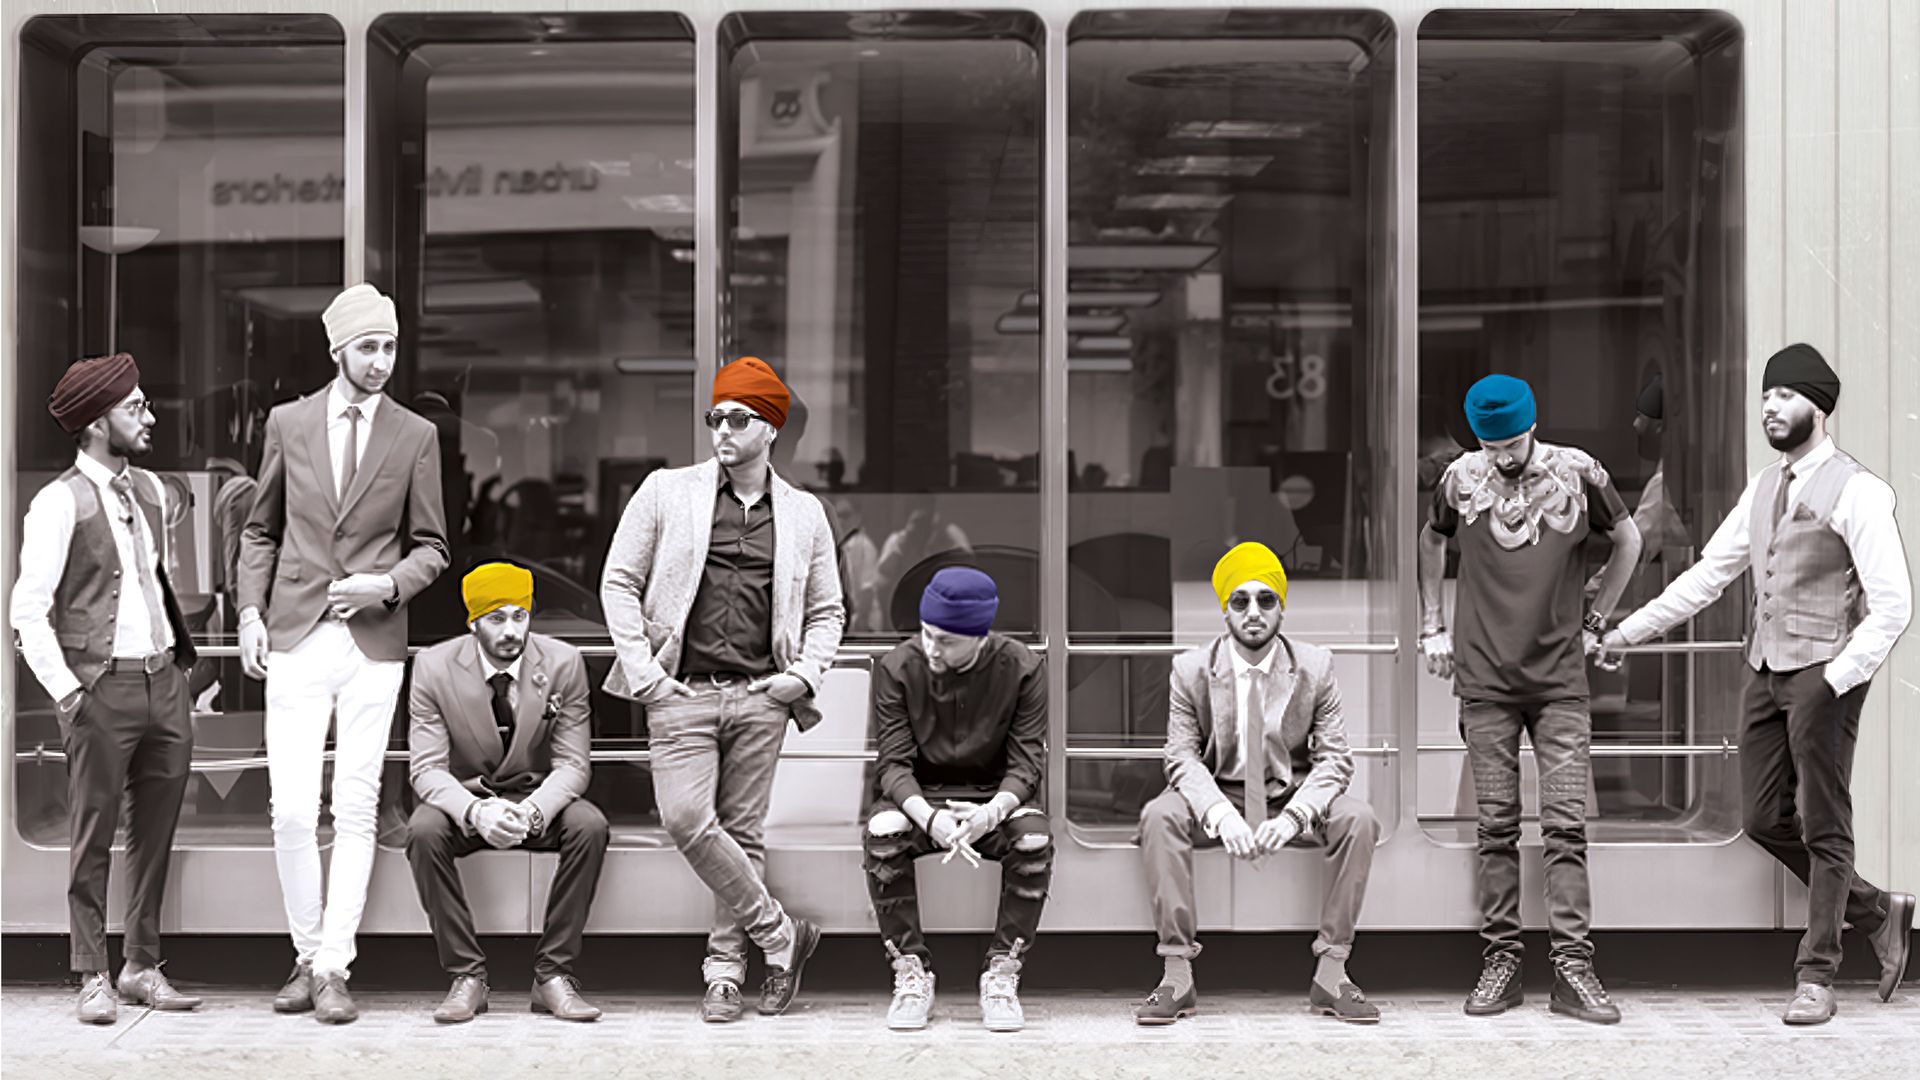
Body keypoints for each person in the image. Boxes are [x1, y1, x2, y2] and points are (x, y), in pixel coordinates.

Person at [1602, 344, 1913, 1024]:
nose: (1770, 407)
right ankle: (1875, 912)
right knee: (1762, 819)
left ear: (1819, 408)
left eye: (1786, 395)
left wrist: (1836, 678)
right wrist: (1627, 633)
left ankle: (1817, 976)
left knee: (1825, 822)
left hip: (1823, 676)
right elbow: (1709, 575)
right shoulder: (1764, 486)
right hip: (1764, 669)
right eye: (1766, 395)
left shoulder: (1858, 490)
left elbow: (1894, 604)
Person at [600, 355, 845, 1021]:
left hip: (763, 695)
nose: (722, 430)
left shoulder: (804, 513)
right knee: (685, 818)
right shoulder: (665, 492)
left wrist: (802, 676)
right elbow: (618, 582)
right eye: (716, 417)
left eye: (738, 419)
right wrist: (646, 676)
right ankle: (780, 935)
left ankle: (725, 972)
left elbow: (828, 611)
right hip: (681, 692)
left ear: (770, 428)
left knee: (743, 832)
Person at [236, 282, 451, 1023]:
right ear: (338, 351)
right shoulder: (288, 424)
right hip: (294, 633)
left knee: (356, 806)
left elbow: (433, 546)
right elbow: (260, 530)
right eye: (368, 348)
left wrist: (386, 586)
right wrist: (250, 611)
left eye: (390, 347)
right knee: (293, 810)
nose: (382, 361)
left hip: (373, 643)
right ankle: (304, 953)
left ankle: (332, 967)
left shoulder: (415, 435)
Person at [1417, 374, 1640, 1024]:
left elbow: (1628, 538)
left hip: (1560, 681)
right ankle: (1502, 964)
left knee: (1566, 828)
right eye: (1491, 447)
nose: (1502, 457)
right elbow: (1431, 537)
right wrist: (1431, 624)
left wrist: (1597, 617)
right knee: (1496, 829)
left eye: (1511, 444)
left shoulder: (1579, 472)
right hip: (1484, 681)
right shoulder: (1459, 477)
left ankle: (1573, 968)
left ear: (1532, 427)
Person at [10, 353, 203, 1023]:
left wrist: (178, 669)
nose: (150, 418)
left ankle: (141, 965)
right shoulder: (58, 501)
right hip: (100, 687)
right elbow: (27, 609)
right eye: (135, 408)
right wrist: (68, 692)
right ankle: (91, 973)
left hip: (162, 681)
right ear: (97, 423)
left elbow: (163, 559)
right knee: (91, 836)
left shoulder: (145, 489)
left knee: (155, 833)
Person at [1134, 542, 1380, 1026]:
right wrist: (1221, 815)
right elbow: (1181, 757)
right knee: (1158, 816)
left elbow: (1335, 760)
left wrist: (1294, 817)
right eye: (1240, 600)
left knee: (1360, 818)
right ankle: (1176, 974)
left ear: (1281, 608)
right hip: (1218, 790)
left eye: (1266, 600)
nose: (1253, 612)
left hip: (1290, 791)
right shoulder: (1190, 669)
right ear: (1224, 609)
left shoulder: (1315, 666)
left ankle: (1332, 972)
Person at [405, 562, 608, 1024]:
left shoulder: (563, 662)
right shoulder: (433, 667)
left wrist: (534, 813)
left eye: (520, 616)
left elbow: (573, 764)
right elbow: (427, 769)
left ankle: (553, 975)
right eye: (496, 619)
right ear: (473, 622)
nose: (511, 630)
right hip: (468, 802)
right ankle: (467, 976)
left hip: (535, 798)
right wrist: (476, 812)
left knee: (589, 825)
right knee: (422, 830)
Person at [863, 567, 1050, 1032]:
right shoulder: (897, 667)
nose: (931, 647)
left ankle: (1002, 972)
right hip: (919, 799)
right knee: (883, 832)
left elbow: (1027, 765)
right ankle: (910, 972)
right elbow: (893, 765)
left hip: (993, 799)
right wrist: (930, 819)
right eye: (926, 633)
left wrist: (991, 814)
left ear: (980, 637)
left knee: (1032, 842)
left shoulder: (1024, 667)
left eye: (946, 640)